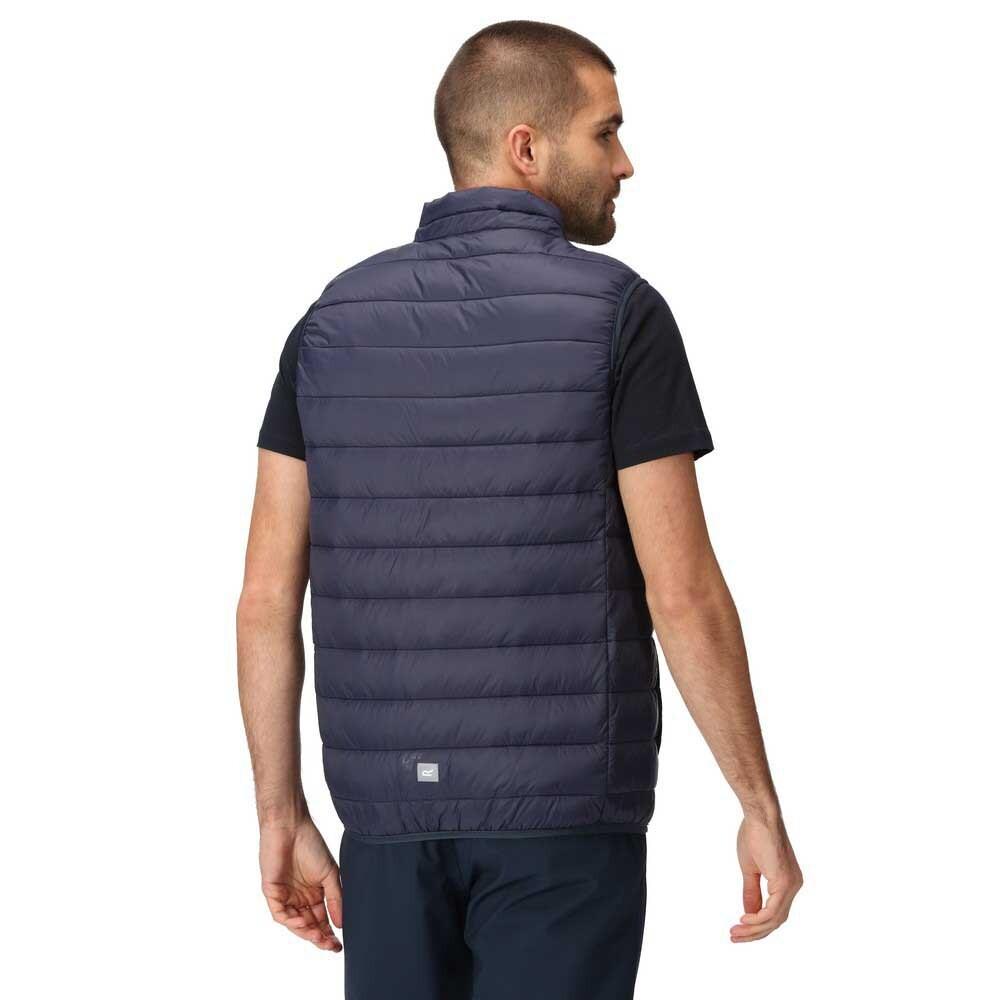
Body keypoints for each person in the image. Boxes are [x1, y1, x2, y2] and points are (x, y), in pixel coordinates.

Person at [237, 18, 802, 999]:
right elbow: (683, 592)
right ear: (525, 147)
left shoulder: (328, 323)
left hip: (386, 821)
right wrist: (757, 803)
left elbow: (263, 599)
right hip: (564, 827)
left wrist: (280, 817)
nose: (624, 162)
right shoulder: (618, 314)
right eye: (605, 131)